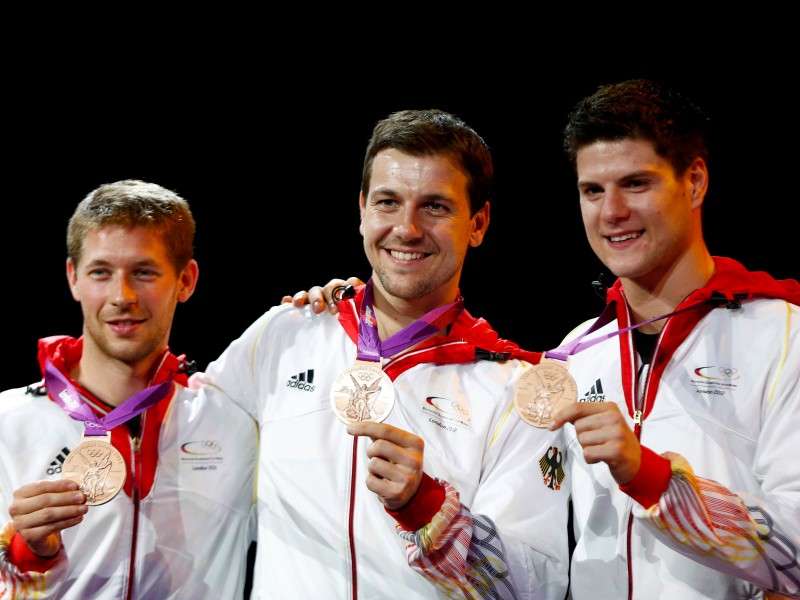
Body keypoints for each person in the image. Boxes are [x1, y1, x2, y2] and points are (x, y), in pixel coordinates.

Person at [287, 80, 800, 599]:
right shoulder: (575, 356)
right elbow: (534, 581)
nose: (612, 211)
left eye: (636, 184)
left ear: (694, 182)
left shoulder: (783, 340)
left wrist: (651, 477)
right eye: (592, 191)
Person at [200, 109, 570, 598]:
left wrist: (429, 508)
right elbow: (181, 442)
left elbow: (536, 587)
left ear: (478, 223)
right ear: (362, 210)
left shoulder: (520, 391)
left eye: (435, 206)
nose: (407, 228)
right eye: (388, 202)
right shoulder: (284, 335)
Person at [0, 179, 257, 599]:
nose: (122, 296)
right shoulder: (7, 424)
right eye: (101, 273)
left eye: (143, 272)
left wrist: (327, 308)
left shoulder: (233, 424)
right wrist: (26, 553)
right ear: (73, 278)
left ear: (186, 280)